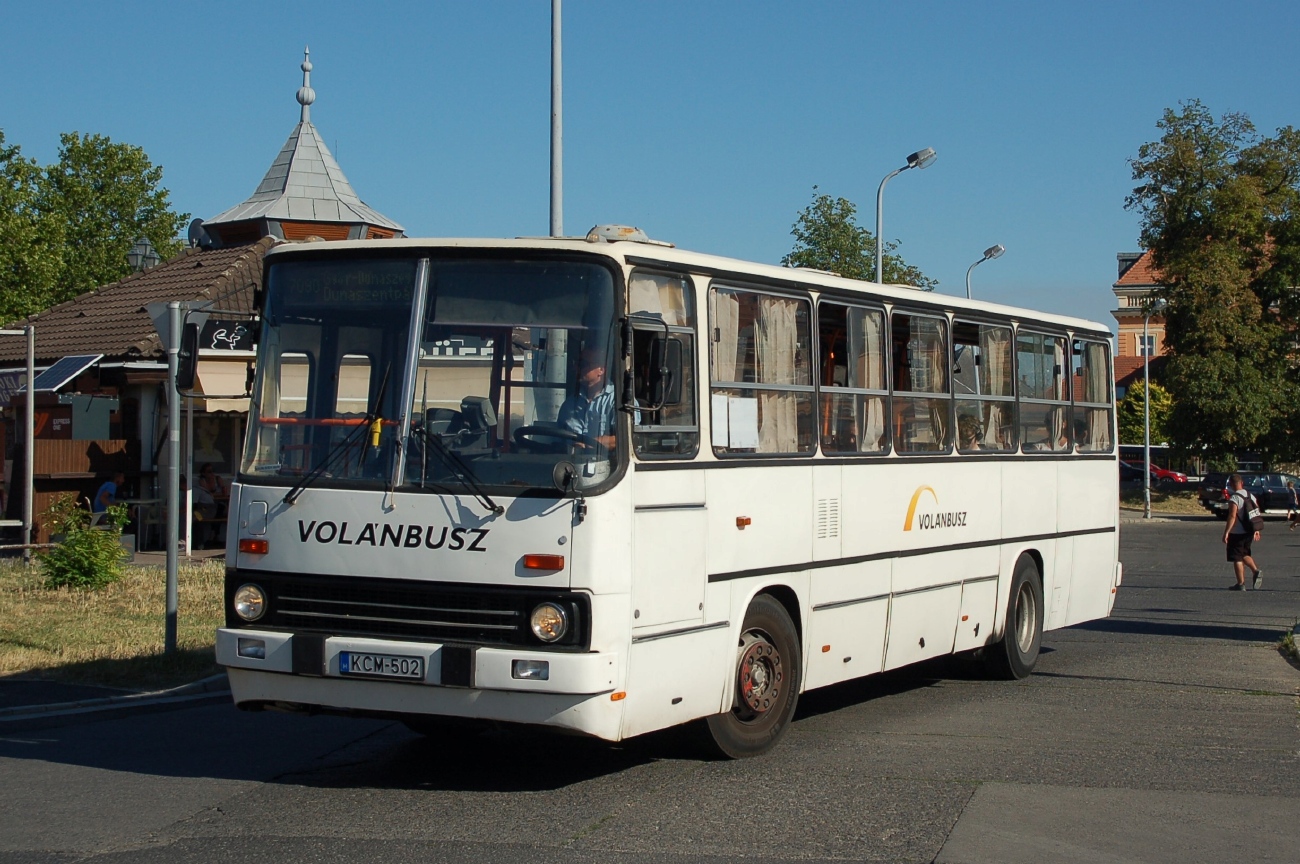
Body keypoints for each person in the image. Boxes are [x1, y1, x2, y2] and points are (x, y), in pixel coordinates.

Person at [557, 348, 617, 450]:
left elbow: (625, 439)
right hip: (569, 462)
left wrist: (589, 444)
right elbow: (558, 437)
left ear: (601, 370)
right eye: (576, 363)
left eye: (583, 364)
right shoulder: (569, 404)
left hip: (608, 463)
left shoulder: (618, 401)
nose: (577, 368)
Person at [1222, 473, 1263, 590]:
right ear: (1242, 483)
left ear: (1230, 484)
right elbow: (1256, 513)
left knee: (1237, 557)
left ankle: (1240, 584)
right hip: (1249, 531)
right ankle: (1255, 571)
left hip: (1237, 532)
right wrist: (1256, 530)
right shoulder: (1251, 496)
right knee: (1244, 553)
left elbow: (1232, 516)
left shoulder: (1234, 498)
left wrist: (1226, 532)